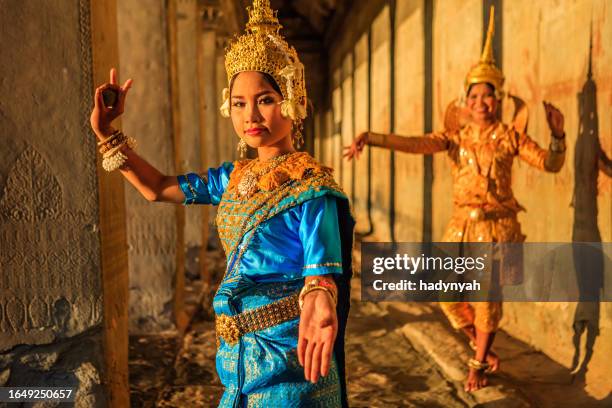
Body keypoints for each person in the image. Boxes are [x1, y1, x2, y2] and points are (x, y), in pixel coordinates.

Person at [89, 0, 353, 406]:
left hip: (290, 355)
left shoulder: (311, 186)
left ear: (293, 99)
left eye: (265, 99)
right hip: (234, 354)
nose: (251, 115)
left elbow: (322, 268)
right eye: (239, 102)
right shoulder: (231, 178)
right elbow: (158, 187)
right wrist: (107, 133)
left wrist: (321, 297)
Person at [344, 6, 566, 392]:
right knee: (446, 297)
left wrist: (559, 137)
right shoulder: (455, 138)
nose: (481, 102)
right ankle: (478, 347)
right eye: (474, 95)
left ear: (498, 100)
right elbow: (416, 144)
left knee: (485, 301)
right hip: (459, 224)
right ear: (464, 101)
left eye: (488, 95)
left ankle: (478, 364)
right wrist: (373, 137)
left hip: (496, 229)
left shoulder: (511, 137)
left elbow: (551, 164)